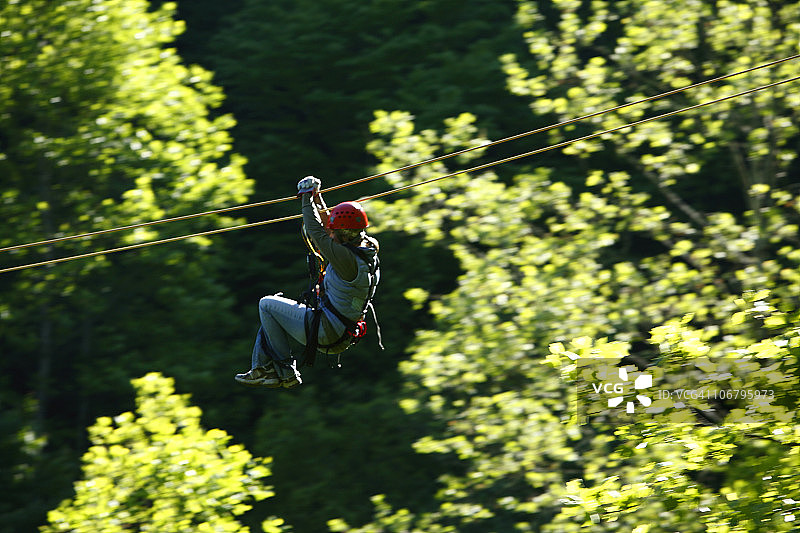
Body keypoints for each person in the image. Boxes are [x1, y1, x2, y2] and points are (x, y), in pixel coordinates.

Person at [235, 176, 380, 388]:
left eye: (335, 233)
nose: (331, 235)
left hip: (327, 330)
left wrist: (306, 198)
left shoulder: (347, 259)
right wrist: (316, 197)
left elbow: (316, 232)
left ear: (344, 234)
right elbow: (329, 227)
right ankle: (263, 370)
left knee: (266, 305)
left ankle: (284, 372)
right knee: (272, 310)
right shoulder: (365, 250)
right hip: (339, 332)